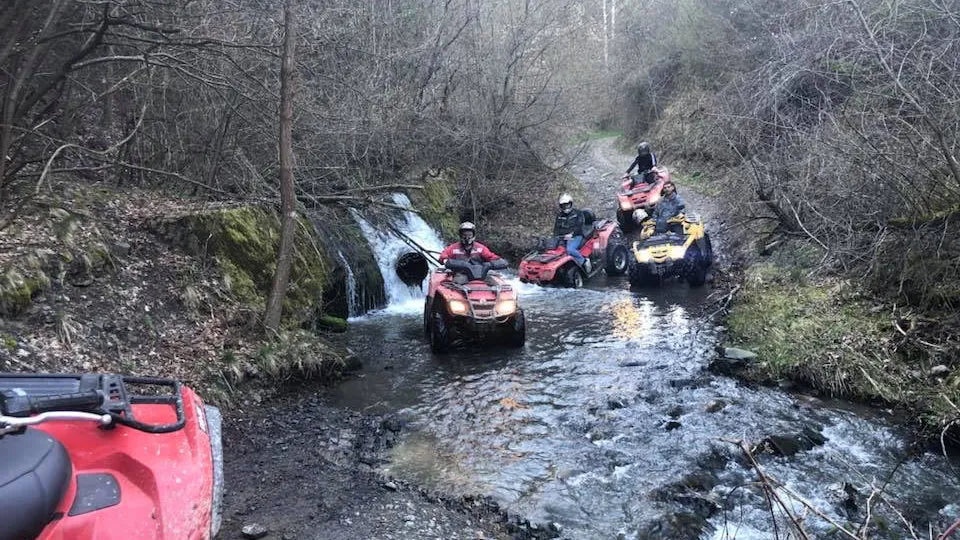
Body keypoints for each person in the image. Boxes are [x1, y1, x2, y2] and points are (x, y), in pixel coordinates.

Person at [438, 222, 504, 264]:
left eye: (469, 235)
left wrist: (499, 261)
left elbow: (491, 256)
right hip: (460, 273)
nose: (467, 237)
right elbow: (444, 255)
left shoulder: (480, 248)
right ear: (460, 235)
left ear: (473, 235)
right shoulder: (454, 248)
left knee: (493, 281)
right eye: (464, 235)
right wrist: (445, 260)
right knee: (458, 280)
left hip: (481, 273)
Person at [553, 193, 588, 269]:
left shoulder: (578, 213)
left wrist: (571, 234)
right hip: (563, 237)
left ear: (571, 204)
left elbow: (579, 226)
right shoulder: (559, 216)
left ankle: (583, 261)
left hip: (576, 236)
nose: (566, 207)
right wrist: (556, 237)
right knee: (554, 252)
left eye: (567, 205)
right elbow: (556, 229)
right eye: (564, 205)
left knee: (570, 250)